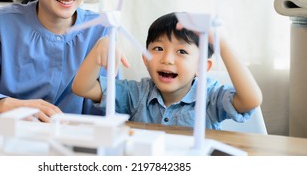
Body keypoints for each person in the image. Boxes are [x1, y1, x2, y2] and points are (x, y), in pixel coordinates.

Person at [72, 12, 263, 129]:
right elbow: (83, 88)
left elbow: (250, 100)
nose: (167, 59)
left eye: (181, 51)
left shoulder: (209, 97)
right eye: (158, 49)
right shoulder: (136, 94)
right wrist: (101, 45)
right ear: (145, 59)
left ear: (202, 68)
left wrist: (221, 43)